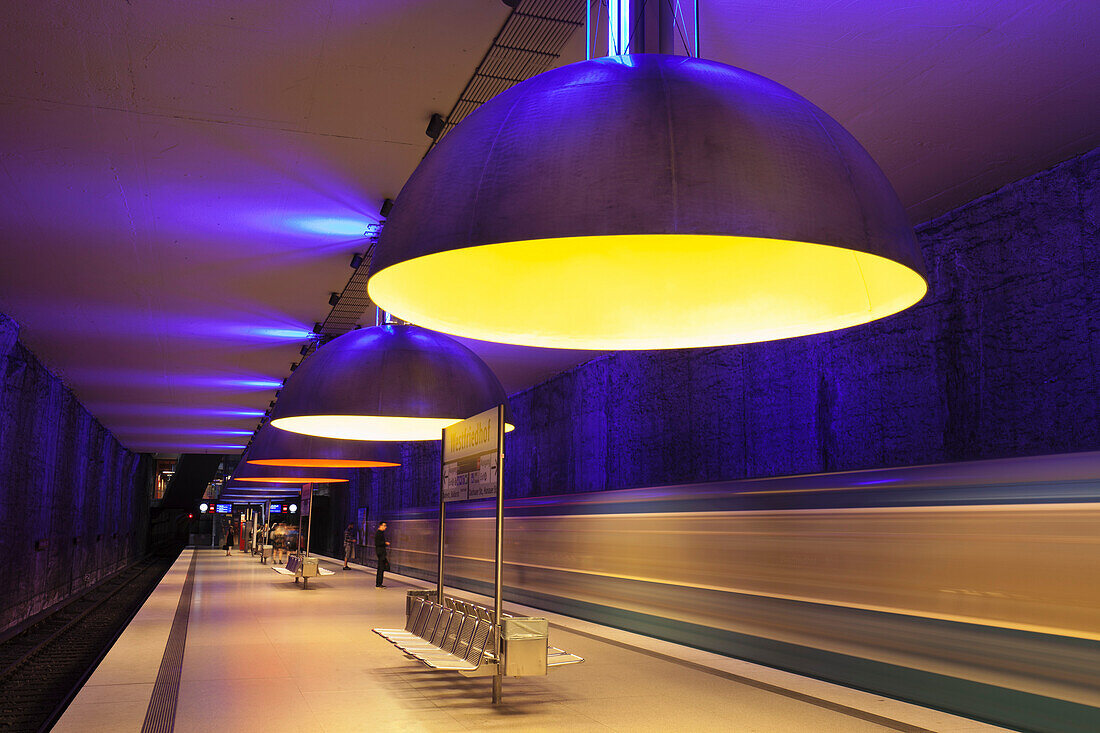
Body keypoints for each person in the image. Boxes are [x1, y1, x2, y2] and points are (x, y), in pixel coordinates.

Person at [374, 521, 390, 587]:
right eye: (384, 526)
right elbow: (378, 543)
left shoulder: (380, 533)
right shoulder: (379, 533)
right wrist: (385, 543)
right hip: (381, 552)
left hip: (380, 552)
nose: (385, 527)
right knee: (381, 568)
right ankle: (379, 583)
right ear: (380, 526)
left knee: (381, 568)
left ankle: (379, 583)